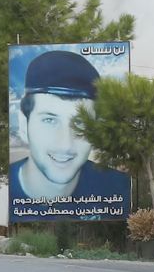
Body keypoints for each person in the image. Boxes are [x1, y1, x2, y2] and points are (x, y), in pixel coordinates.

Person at [9, 50, 130, 217]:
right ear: (24, 124)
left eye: (80, 123)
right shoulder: (0, 193)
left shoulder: (121, 190)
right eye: (49, 120)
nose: (65, 144)